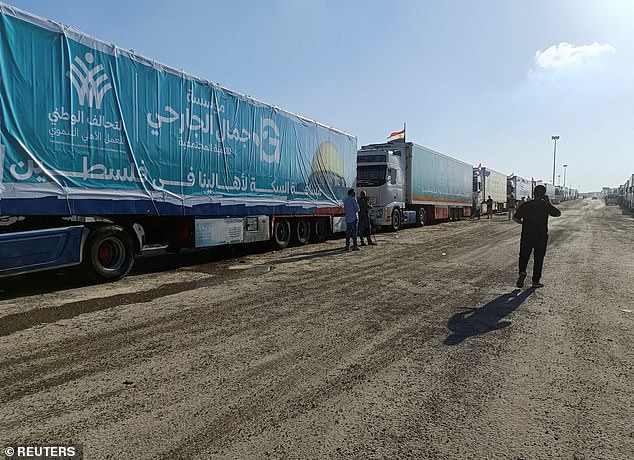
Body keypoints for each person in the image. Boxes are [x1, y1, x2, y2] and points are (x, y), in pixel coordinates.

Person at [512, 185, 561, 288]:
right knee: (538, 259)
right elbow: (557, 214)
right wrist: (548, 203)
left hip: (527, 235)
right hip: (541, 236)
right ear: (544, 194)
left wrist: (524, 223)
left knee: (524, 256)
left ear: (533, 193)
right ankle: (535, 281)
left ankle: (522, 272)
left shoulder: (526, 205)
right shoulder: (545, 205)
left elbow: (515, 218)